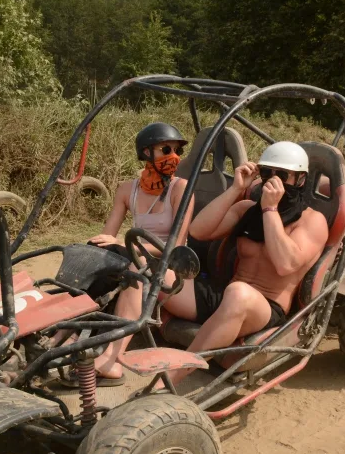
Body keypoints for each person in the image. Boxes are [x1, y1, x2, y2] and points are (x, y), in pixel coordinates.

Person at [113, 141, 329, 387]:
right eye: (267, 172)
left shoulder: (312, 221)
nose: (272, 180)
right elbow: (199, 230)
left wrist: (270, 209)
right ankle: (111, 358)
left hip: (264, 308)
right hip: (223, 296)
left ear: (300, 180)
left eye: (281, 174)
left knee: (238, 293)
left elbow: (285, 265)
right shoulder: (247, 209)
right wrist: (236, 189)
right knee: (143, 265)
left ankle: (172, 378)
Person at [65, 122, 194, 386]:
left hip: (170, 266)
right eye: (166, 149)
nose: (174, 157)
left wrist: (132, 247)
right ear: (146, 152)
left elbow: (176, 245)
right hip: (138, 255)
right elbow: (108, 234)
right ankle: (66, 332)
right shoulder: (127, 190)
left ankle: (111, 360)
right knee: (91, 254)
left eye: (177, 150)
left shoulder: (181, 188)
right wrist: (101, 246)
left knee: (137, 266)